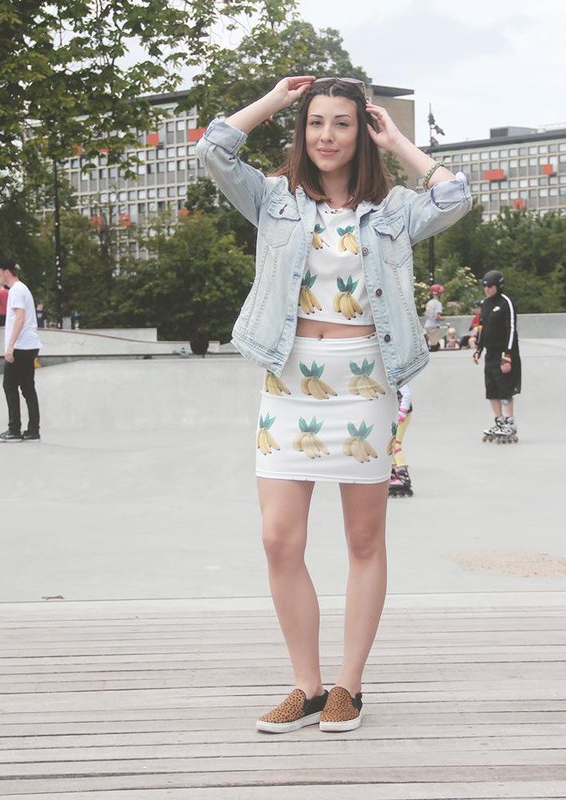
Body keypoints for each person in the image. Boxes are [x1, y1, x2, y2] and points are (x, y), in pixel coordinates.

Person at [197, 74, 471, 734]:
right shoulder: (274, 199)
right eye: (316, 122)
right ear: (303, 129)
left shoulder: (393, 210)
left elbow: (455, 194)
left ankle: (348, 685)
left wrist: (397, 141)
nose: (327, 135)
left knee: (363, 539)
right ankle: (306, 685)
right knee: (278, 539)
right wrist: (276, 100)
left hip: (366, 385)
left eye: (342, 124)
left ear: (361, 133)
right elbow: (213, 150)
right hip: (289, 385)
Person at [0, 260, 42, 440]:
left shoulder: (15, 290)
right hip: (30, 345)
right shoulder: (23, 289)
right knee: (28, 387)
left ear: (6, 272)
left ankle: (14, 429)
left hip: (20, 347)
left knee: (9, 385)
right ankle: (33, 430)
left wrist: (10, 346)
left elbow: (19, 318)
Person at [472, 270, 521, 440]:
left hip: (503, 353)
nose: (487, 289)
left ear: (498, 286)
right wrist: (479, 349)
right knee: (491, 389)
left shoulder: (506, 302)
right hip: (490, 353)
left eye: (490, 286)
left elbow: (511, 329)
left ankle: (510, 423)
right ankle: (499, 422)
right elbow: (483, 328)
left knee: (505, 389)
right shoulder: (485, 304)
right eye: (484, 286)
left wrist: (508, 354)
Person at [386, 384, 413, 497]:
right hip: (395, 414)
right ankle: (393, 472)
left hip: (401, 415)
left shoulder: (397, 378)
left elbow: (407, 394)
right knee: (390, 444)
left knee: (396, 444)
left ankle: (402, 474)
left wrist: (401, 413)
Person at [423, 284, 444, 351]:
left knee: (431, 344)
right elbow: (437, 317)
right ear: (438, 294)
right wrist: (443, 318)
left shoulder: (429, 303)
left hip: (427, 325)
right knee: (434, 346)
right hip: (434, 326)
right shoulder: (438, 303)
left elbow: (426, 314)